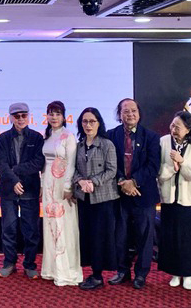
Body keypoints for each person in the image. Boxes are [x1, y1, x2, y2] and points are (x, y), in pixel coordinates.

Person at [106, 98, 161, 289]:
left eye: (133, 111)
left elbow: (153, 166)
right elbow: (108, 164)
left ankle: (141, 274)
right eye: (125, 111)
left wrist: (133, 182)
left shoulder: (151, 137)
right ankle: (122, 271)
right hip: (118, 194)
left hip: (143, 195)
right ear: (119, 114)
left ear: (139, 113)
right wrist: (123, 182)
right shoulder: (110, 136)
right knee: (119, 235)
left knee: (145, 237)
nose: (130, 114)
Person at [0, 102, 45, 280]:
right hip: (9, 189)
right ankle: (9, 263)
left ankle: (30, 264)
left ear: (29, 116)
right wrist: (15, 180)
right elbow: (1, 164)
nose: (21, 119)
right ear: (10, 118)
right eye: (17, 116)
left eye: (24, 115)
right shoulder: (2, 138)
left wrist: (16, 171)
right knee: (8, 229)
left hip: (30, 189)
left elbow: (38, 163)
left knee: (31, 229)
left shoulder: (37, 138)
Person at [157, 111, 191, 290]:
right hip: (169, 199)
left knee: (187, 239)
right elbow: (159, 172)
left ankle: (188, 275)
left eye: (178, 127)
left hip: (188, 201)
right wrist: (172, 167)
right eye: (172, 125)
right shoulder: (163, 142)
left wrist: (182, 162)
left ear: (188, 129)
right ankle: (175, 273)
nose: (173, 129)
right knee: (170, 238)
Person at [73, 107, 119, 290]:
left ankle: (98, 275)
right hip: (84, 198)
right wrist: (80, 181)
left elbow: (112, 170)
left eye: (92, 121)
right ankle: (92, 272)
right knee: (88, 236)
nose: (88, 125)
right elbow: (73, 169)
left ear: (99, 123)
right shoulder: (79, 145)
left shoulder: (107, 144)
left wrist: (93, 182)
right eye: (85, 121)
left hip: (103, 198)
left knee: (101, 237)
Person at [40, 101, 83, 286]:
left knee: (64, 226)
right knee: (50, 226)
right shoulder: (47, 136)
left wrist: (67, 187)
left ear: (64, 116)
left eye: (57, 114)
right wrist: (42, 186)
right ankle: (51, 269)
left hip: (62, 186)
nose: (54, 117)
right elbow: (43, 166)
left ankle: (66, 271)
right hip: (48, 185)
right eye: (51, 114)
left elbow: (72, 164)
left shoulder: (69, 137)